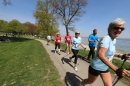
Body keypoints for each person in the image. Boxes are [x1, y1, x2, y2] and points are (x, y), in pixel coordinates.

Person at [78, 18, 130, 86]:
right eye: (116, 28)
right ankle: (80, 83)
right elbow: (100, 54)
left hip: (105, 67)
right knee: (90, 81)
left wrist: (121, 56)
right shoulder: (106, 39)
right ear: (109, 29)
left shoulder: (113, 40)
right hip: (96, 67)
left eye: (122, 28)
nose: (119, 30)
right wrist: (117, 69)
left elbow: (109, 53)